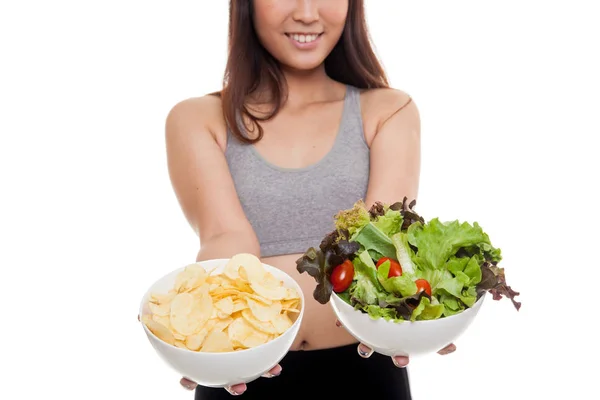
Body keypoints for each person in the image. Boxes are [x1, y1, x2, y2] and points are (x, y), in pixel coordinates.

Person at [164, 0, 455, 398]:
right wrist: (203, 334)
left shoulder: (388, 110)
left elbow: (383, 246)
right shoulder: (199, 118)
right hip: (244, 375)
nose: (306, 12)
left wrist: (432, 312)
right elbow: (225, 239)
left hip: (367, 375)